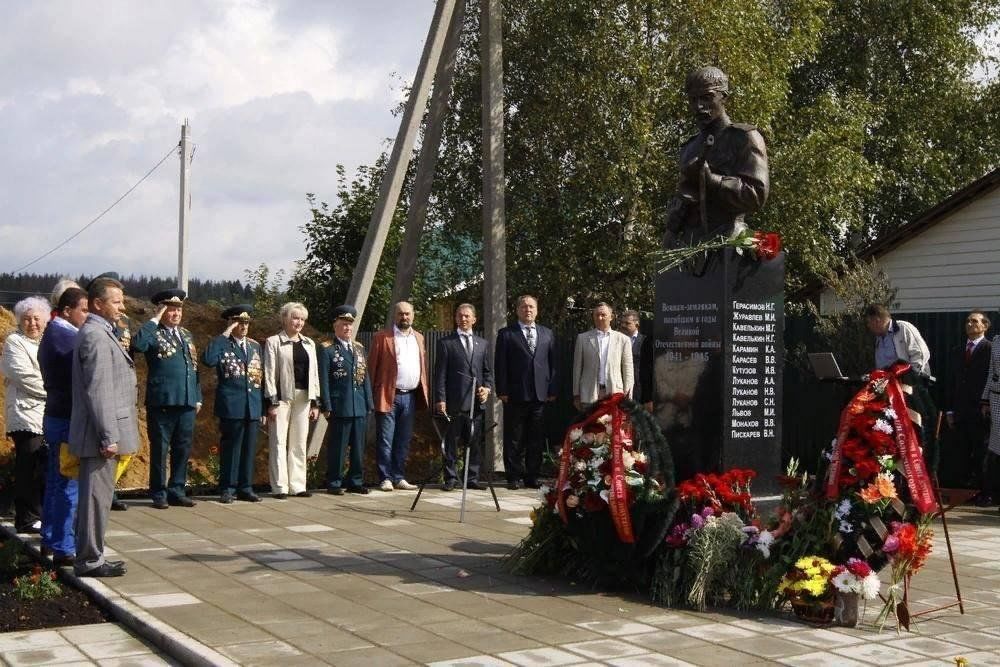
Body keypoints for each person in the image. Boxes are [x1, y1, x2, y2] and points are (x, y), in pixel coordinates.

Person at [69, 277, 137, 577]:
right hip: (101, 435)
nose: (122, 307)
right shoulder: (96, 336)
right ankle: (89, 560)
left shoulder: (101, 332)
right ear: (98, 303)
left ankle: (92, 555)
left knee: (97, 499)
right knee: (95, 499)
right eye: (117, 301)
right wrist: (109, 436)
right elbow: (99, 391)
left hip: (103, 432)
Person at [663, 66, 769, 247]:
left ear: (724, 97)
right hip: (690, 246)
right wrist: (672, 230)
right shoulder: (689, 148)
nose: (699, 106)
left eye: (706, 97)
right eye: (693, 100)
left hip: (729, 240)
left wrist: (713, 180)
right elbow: (685, 196)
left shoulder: (744, 137)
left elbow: (756, 195)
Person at [131, 289, 202, 509]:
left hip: (187, 401)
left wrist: (197, 397)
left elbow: (194, 368)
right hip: (162, 401)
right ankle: (159, 492)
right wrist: (154, 320)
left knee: (182, 447)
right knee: (160, 449)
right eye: (171, 309)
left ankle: (177, 489)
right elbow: (138, 346)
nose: (176, 313)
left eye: (178, 309)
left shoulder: (187, 335)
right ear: (161, 310)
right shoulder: (153, 332)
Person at [37, 286, 89, 565]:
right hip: (67, 418)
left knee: (58, 482)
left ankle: (50, 538)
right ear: (67, 311)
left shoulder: (58, 333)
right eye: (84, 310)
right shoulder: (65, 337)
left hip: (59, 416)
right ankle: (64, 546)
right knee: (68, 483)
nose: (87, 315)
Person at [202, 305, 265, 504]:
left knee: (248, 448)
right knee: (231, 449)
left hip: (252, 405)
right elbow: (208, 360)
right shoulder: (222, 344)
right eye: (239, 322)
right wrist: (224, 335)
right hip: (232, 406)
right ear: (230, 323)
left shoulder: (255, 346)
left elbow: (259, 378)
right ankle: (227, 488)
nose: (244, 326)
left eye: (246, 322)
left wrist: (262, 407)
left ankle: (245, 487)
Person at [494, 295, 556, 490]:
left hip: (540, 395)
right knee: (514, 438)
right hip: (514, 394)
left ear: (537, 310)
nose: (528, 310)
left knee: (536, 438)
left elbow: (553, 365)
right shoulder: (506, 334)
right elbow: (500, 364)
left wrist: (552, 389)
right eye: (524, 307)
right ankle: (513, 476)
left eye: (531, 307)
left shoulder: (547, 333)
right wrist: (502, 390)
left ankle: (532, 476)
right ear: (517, 310)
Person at [368, 301, 428, 492]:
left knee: (403, 439)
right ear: (395, 316)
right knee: (386, 439)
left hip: (410, 397)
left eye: (408, 314)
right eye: (401, 314)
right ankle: (385, 477)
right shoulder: (382, 337)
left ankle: (399, 476)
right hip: (388, 395)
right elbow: (372, 369)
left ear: (413, 315)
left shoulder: (419, 337)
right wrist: (370, 396)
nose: (405, 317)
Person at [263, 302, 321, 499]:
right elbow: (269, 373)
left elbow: (315, 374)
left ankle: (298, 485)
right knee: (278, 441)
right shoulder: (273, 342)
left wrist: (315, 402)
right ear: (285, 319)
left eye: (302, 319)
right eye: (295, 318)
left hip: (304, 397)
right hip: (281, 398)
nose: (299, 322)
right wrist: (271, 401)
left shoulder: (309, 344)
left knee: (299, 442)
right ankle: (280, 486)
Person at [2, 296, 50, 534]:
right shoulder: (14, 342)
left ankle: (39, 513)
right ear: (20, 322)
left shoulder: (46, 342)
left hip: (46, 414)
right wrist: (54, 391)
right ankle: (26, 518)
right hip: (25, 415)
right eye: (27, 319)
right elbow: (24, 376)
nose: (32, 323)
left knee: (43, 465)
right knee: (28, 465)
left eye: (36, 319)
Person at [434, 303, 493, 491]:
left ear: (474, 319)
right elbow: (440, 374)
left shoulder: (482, 344)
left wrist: (487, 389)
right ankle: (450, 478)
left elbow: (487, 372)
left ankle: (472, 478)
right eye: (460, 316)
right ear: (456, 318)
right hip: (454, 402)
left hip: (476, 402)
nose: (463, 319)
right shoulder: (446, 343)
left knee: (474, 441)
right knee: (451, 441)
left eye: (467, 316)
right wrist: (440, 399)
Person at [319, 305, 373, 494]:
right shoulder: (327, 349)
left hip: (358, 405)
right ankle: (334, 482)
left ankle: (355, 481)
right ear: (335, 326)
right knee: (338, 447)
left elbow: (365, 377)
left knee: (358, 448)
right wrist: (326, 404)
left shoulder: (359, 349)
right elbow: (324, 380)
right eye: (343, 325)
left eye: (350, 325)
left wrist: (369, 403)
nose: (347, 328)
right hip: (339, 405)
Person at [945, 311, 991, 499]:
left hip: (980, 409)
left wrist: (986, 402)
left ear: (985, 326)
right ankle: (962, 493)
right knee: (960, 452)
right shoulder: (957, 351)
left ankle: (983, 493)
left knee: (981, 452)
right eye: (967, 321)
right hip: (960, 410)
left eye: (975, 321)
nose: (970, 324)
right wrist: (949, 410)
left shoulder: (990, 349)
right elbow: (951, 381)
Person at [572, 302, 634, 412]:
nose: (600, 318)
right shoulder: (582, 338)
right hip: (588, 395)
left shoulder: (623, 340)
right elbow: (577, 368)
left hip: (615, 394)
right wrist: (576, 394)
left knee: (611, 428)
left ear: (611, 317)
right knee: (590, 428)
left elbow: (628, 370)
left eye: (603, 315)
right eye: (596, 315)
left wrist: (628, 396)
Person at [863, 304, 931, 377]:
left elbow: (920, 353)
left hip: (913, 379)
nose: (868, 326)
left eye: (869, 322)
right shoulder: (878, 339)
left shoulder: (903, 328)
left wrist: (912, 376)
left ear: (877, 320)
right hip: (891, 382)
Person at [619, 309, 653, 411]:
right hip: (619, 389)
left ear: (637, 325)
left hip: (639, 392)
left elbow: (650, 370)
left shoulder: (645, 342)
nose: (623, 325)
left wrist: (649, 398)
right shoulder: (616, 341)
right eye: (622, 323)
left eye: (627, 323)